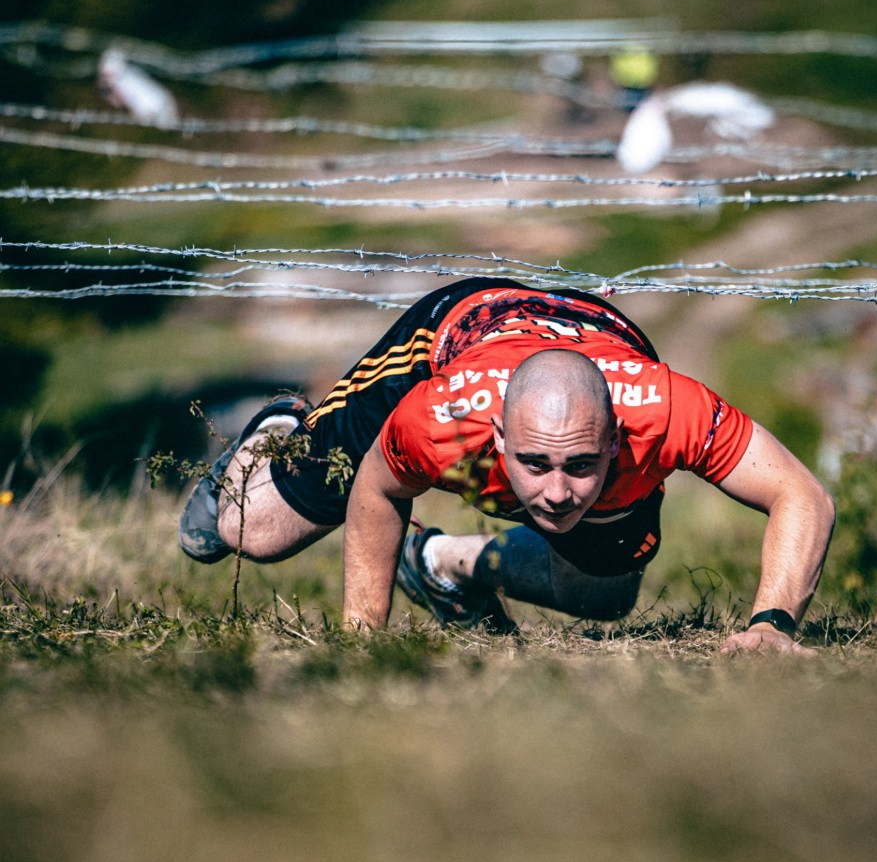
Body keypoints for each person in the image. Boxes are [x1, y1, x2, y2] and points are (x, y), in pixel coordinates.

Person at [179, 277, 835, 651]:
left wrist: (771, 625)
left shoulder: (667, 411)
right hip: (451, 328)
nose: (555, 494)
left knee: (602, 595)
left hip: (589, 340)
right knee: (244, 533)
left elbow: (802, 495)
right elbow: (379, 492)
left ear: (615, 441)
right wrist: (362, 646)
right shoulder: (437, 415)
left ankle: (437, 564)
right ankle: (281, 428)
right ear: (494, 436)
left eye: (581, 465)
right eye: (535, 464)